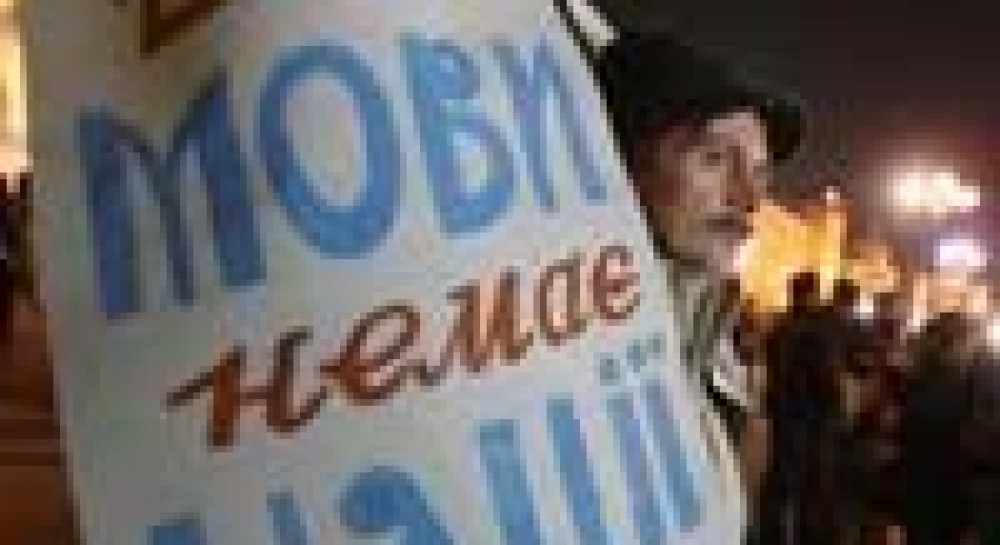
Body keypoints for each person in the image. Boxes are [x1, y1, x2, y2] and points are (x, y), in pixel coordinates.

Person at [595, 31, 803, 542]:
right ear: (620, 160)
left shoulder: (717, 332)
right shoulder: (539, 337)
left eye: (760, 173)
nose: (749, 199)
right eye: (713, 159)